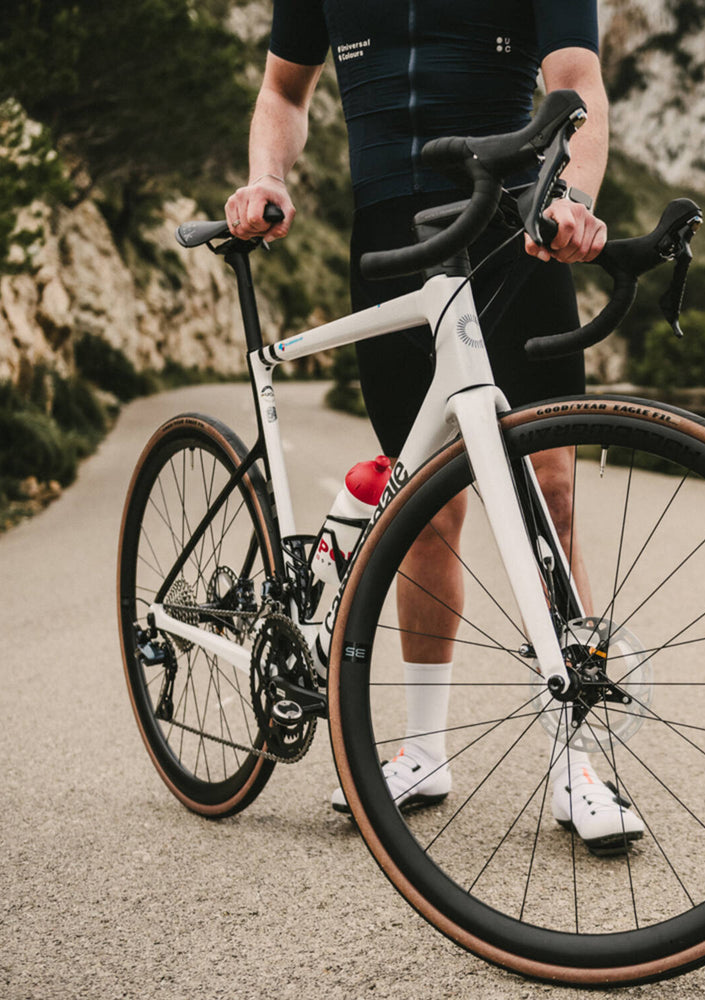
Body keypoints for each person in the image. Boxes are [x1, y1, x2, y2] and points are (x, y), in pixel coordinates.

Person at [226, 1, 644, 853]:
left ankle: (578, 762)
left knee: (551, 496)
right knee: (421, 508)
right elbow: (283, 92)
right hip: (388, 232)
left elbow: (578, 84)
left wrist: (570, 198)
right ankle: (423, 752)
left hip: (514, 224)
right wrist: (267, 175)